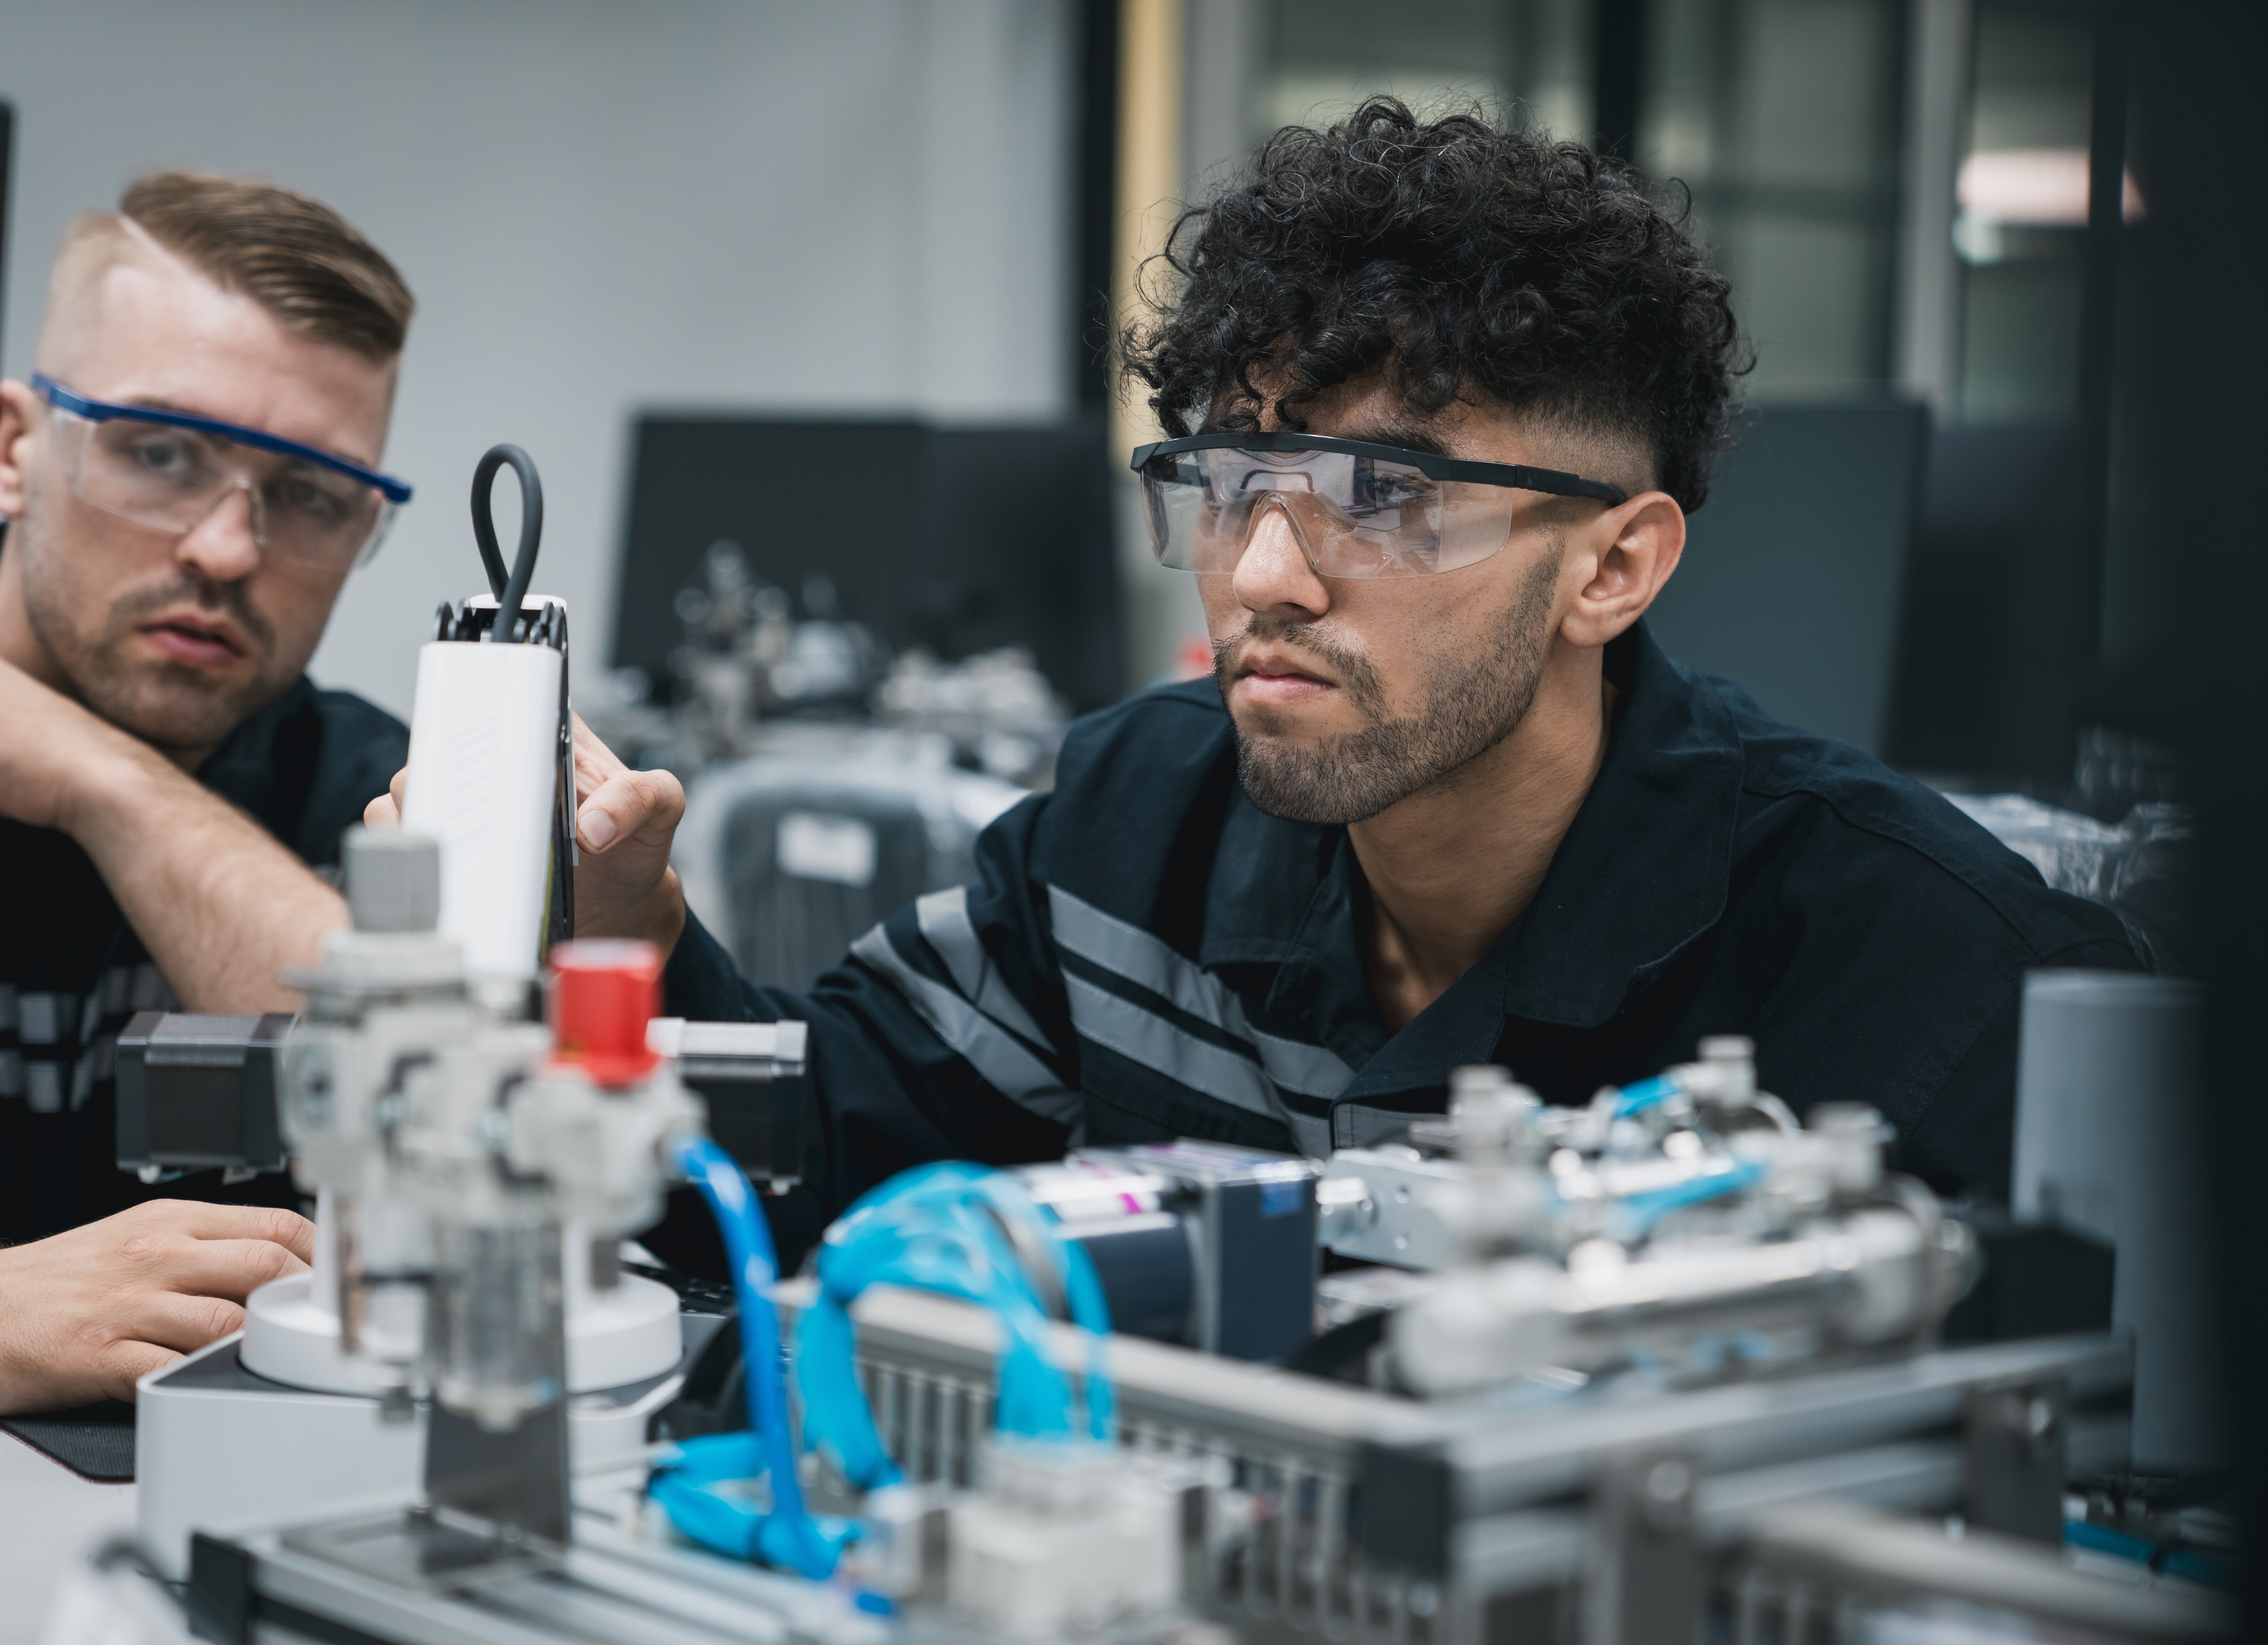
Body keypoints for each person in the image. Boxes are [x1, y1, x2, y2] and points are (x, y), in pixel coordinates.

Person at [386, 100, 2135, 1244]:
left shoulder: (1917, 964)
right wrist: (621, 929)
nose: (1267, 576)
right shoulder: (1128, 824)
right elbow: (785, 1170)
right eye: (1229, 482)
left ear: (1615, 564)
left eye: (1383, 495)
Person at [0, 174, 415, 1414]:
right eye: (161, 453)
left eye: (309, 495)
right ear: (16, 452)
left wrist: (104, 783)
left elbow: (436, 1134)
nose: (227, 549)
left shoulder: (367, 790)